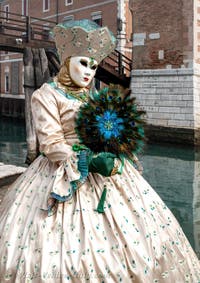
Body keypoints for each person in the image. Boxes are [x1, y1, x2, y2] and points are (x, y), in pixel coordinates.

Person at [0, 19, 199, 283]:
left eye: (94, 66)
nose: (89, 72)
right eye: (83, 63)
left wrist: (117, 149)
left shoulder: (93, 95)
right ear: (67, 59)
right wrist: (89, 161)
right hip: (64, 170)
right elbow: (50, 143)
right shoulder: (46, 95)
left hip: (109, 174)